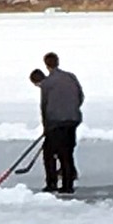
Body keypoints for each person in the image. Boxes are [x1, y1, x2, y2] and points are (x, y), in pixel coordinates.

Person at [38, 52, 85, 193]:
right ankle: (67, 184)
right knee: (67, 152)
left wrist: (46, 126)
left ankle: (52, 183)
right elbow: (80, 96)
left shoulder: (47, 84)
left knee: (49, 153)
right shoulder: (71, 77)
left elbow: (44, 106)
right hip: (72, 120)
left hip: (56, 123)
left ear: (46, 65)